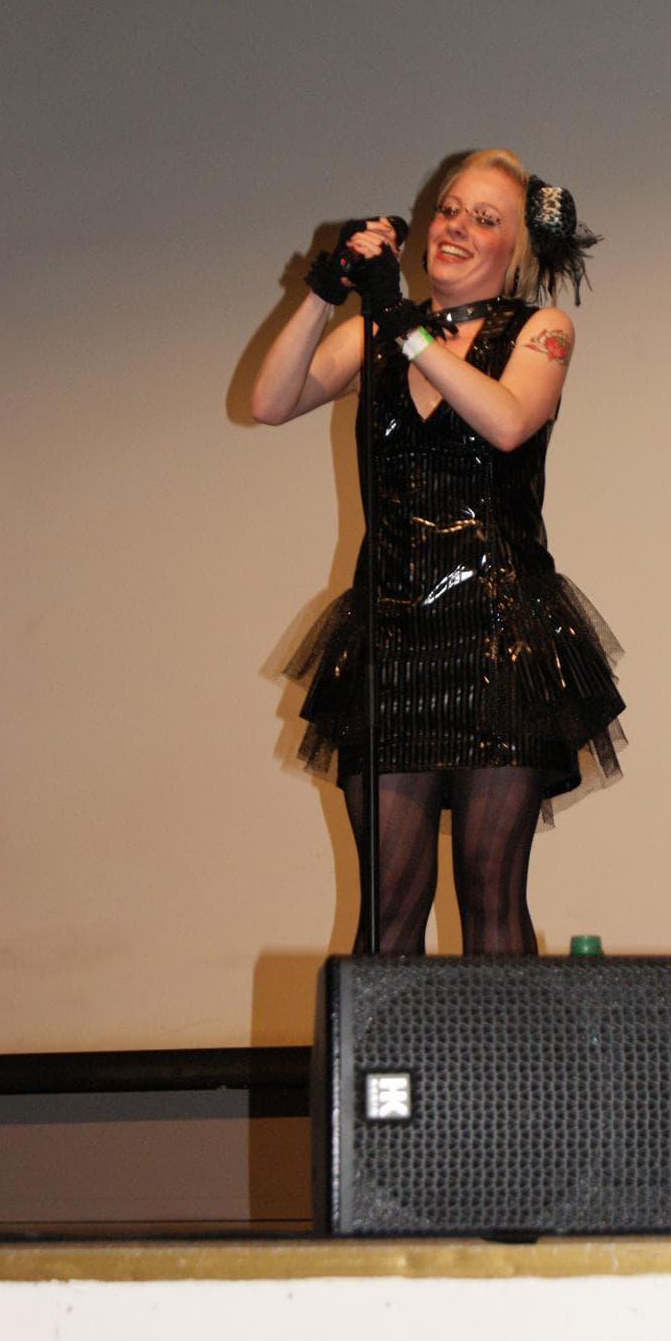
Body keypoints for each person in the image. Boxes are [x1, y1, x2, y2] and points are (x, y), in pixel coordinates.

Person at [251, 148, 625, 956]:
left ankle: (514, 1050)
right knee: (386, 912)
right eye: (449, 210)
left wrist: (402, 321)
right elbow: (269, 401)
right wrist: (324, 293)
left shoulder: (539, 330)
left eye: (484, 219)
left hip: (498, 635)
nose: (455, 227)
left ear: (516, 250)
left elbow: (506, 422)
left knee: (490, 897)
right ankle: (389, 1050)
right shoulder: (374, 334)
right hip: (391, 637)